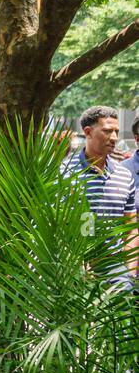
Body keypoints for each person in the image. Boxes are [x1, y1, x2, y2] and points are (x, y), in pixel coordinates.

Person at [62, 106, 139, 281]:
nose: (113, 138)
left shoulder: (124, 175)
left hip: (112, 267)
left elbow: (131, 228)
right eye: (107, 131)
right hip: (69, 268)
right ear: (88, 132)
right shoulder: (64, 172)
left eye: (116, 132)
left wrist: (129, 272)